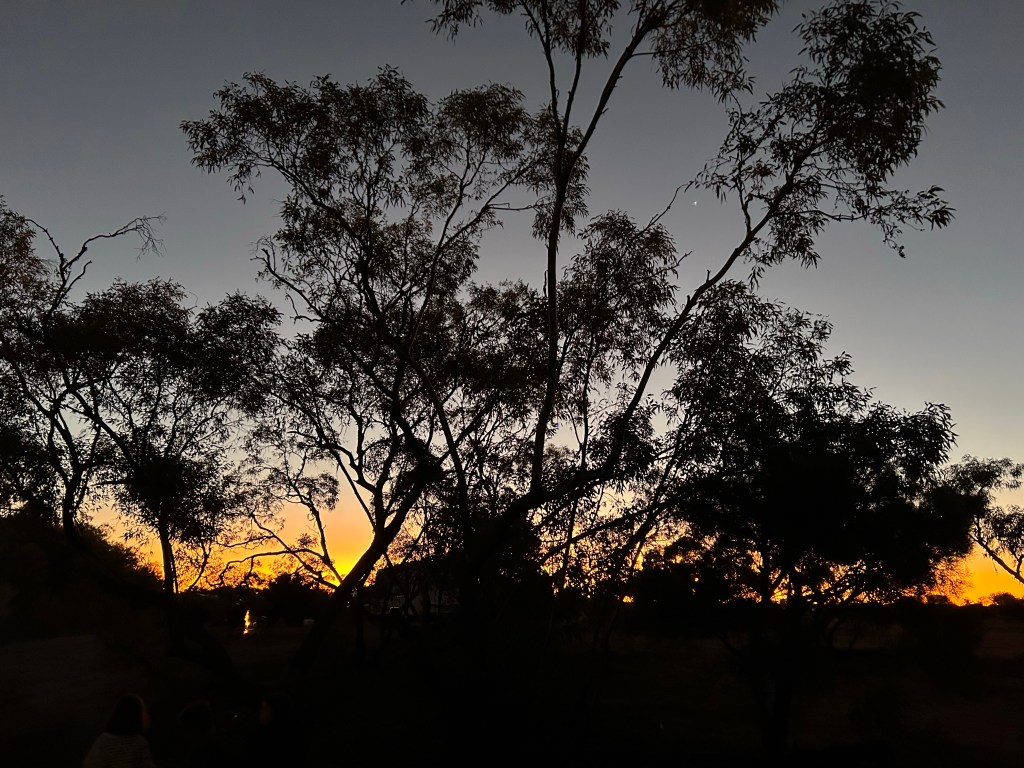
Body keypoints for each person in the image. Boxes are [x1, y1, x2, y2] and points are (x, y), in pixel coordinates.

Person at [83, 694, 158, 768]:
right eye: (144, 711)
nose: (147, 716)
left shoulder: (104, 740)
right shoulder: (140, 743)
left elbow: (90, 764)